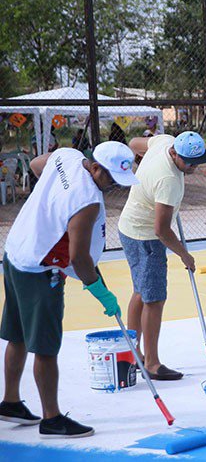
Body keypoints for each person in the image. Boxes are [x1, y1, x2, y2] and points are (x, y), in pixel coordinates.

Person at [1, 141, 137, 438]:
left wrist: (52, 202)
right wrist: (100, 290)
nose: (113, 186)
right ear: (96, 167)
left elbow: (38, 165)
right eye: (110, 178)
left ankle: (10, 402)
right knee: (46, 348)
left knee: (18, 335)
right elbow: (78, 257)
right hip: (41, 269)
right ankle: (52, 419)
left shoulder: (67, 156)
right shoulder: (87, 200)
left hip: (15, 254)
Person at [119, 131, 206, 380]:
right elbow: (161, 230)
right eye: (189, 164)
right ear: (175, 154)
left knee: (141, 291)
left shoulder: (163, 141)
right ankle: (151, 362)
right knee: (154, 299)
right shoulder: (167, 179)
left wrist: (141, 170)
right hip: (146, 236)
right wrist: (185, 255)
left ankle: (134, 352)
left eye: (198, 162)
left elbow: (134, 143)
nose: (193, 168)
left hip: (129, 226)